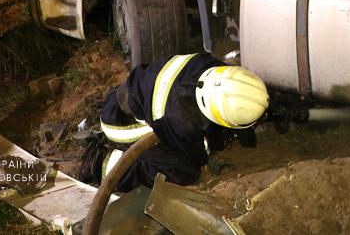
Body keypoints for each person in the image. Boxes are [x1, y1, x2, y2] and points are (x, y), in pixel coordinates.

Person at [78, 52, 269, 191]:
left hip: (126, 95)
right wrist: (208, 158)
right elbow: (195, 155)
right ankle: (100, 162)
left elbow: (237, 96)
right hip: (120, 124)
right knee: (183, 171)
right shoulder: (180, 120)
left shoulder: (210, 65)